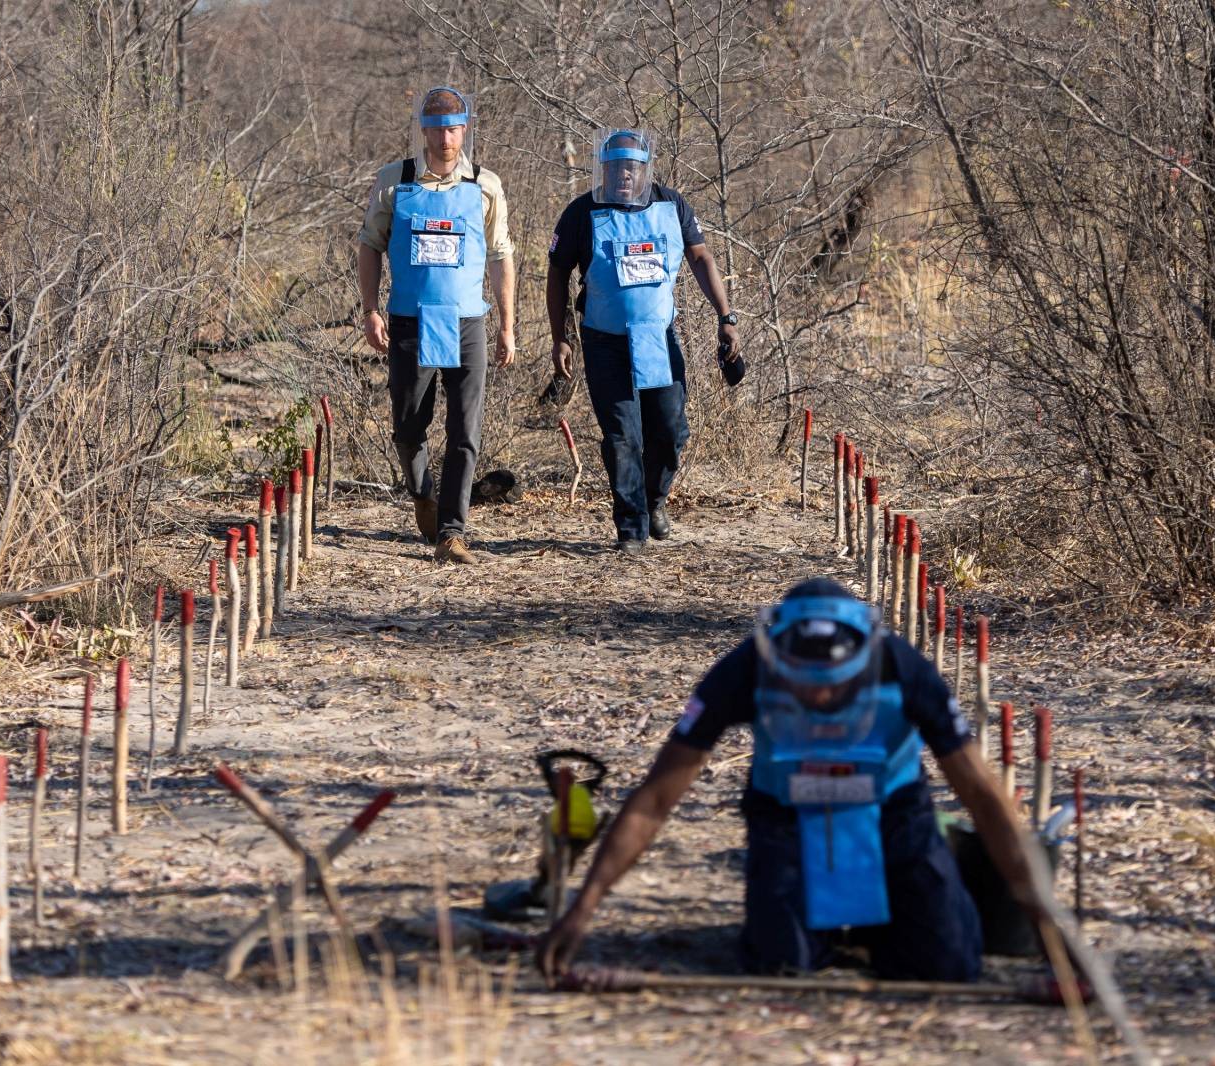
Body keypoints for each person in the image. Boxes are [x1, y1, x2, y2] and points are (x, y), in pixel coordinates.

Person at [537, 578, 1059, 984]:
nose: (820, 701)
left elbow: (983, 796)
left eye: (835, 689)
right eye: (804, 689)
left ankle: (930, 875)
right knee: (781, 963)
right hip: (785, 817)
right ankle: (815, 918)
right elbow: (655, 799)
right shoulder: (741, 670)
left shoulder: (904, 667)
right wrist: (584, 908)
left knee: (948, 965)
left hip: (894, 814)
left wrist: (1044, 924)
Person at [546, 128, 740, 555]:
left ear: (645, 168)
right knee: (622, 436)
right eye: (615, 167)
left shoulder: (672, 205)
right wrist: (560, 337)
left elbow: (701, 256)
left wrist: (725, 316)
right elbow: (557, 272)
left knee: (671, 430)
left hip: (658, 338)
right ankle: (630, 527)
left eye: (632, 168)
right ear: (604, 169)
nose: (624, 176)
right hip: (605, 341)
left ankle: (654, 502)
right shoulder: (582, 212)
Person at [357, 87, 516, 565]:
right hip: (410, 320)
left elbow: (501, 254)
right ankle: (423, 493)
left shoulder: (484, 184)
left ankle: (453, 532)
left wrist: (507, 323)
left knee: (465, 430)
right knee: (408, 426)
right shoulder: (396, 180)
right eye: (436, 128)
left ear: (465, 129)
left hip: (468, 320)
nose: (445, 138)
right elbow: (369, 244)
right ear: (422, 130)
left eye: (453, 128)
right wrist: (370, 308)